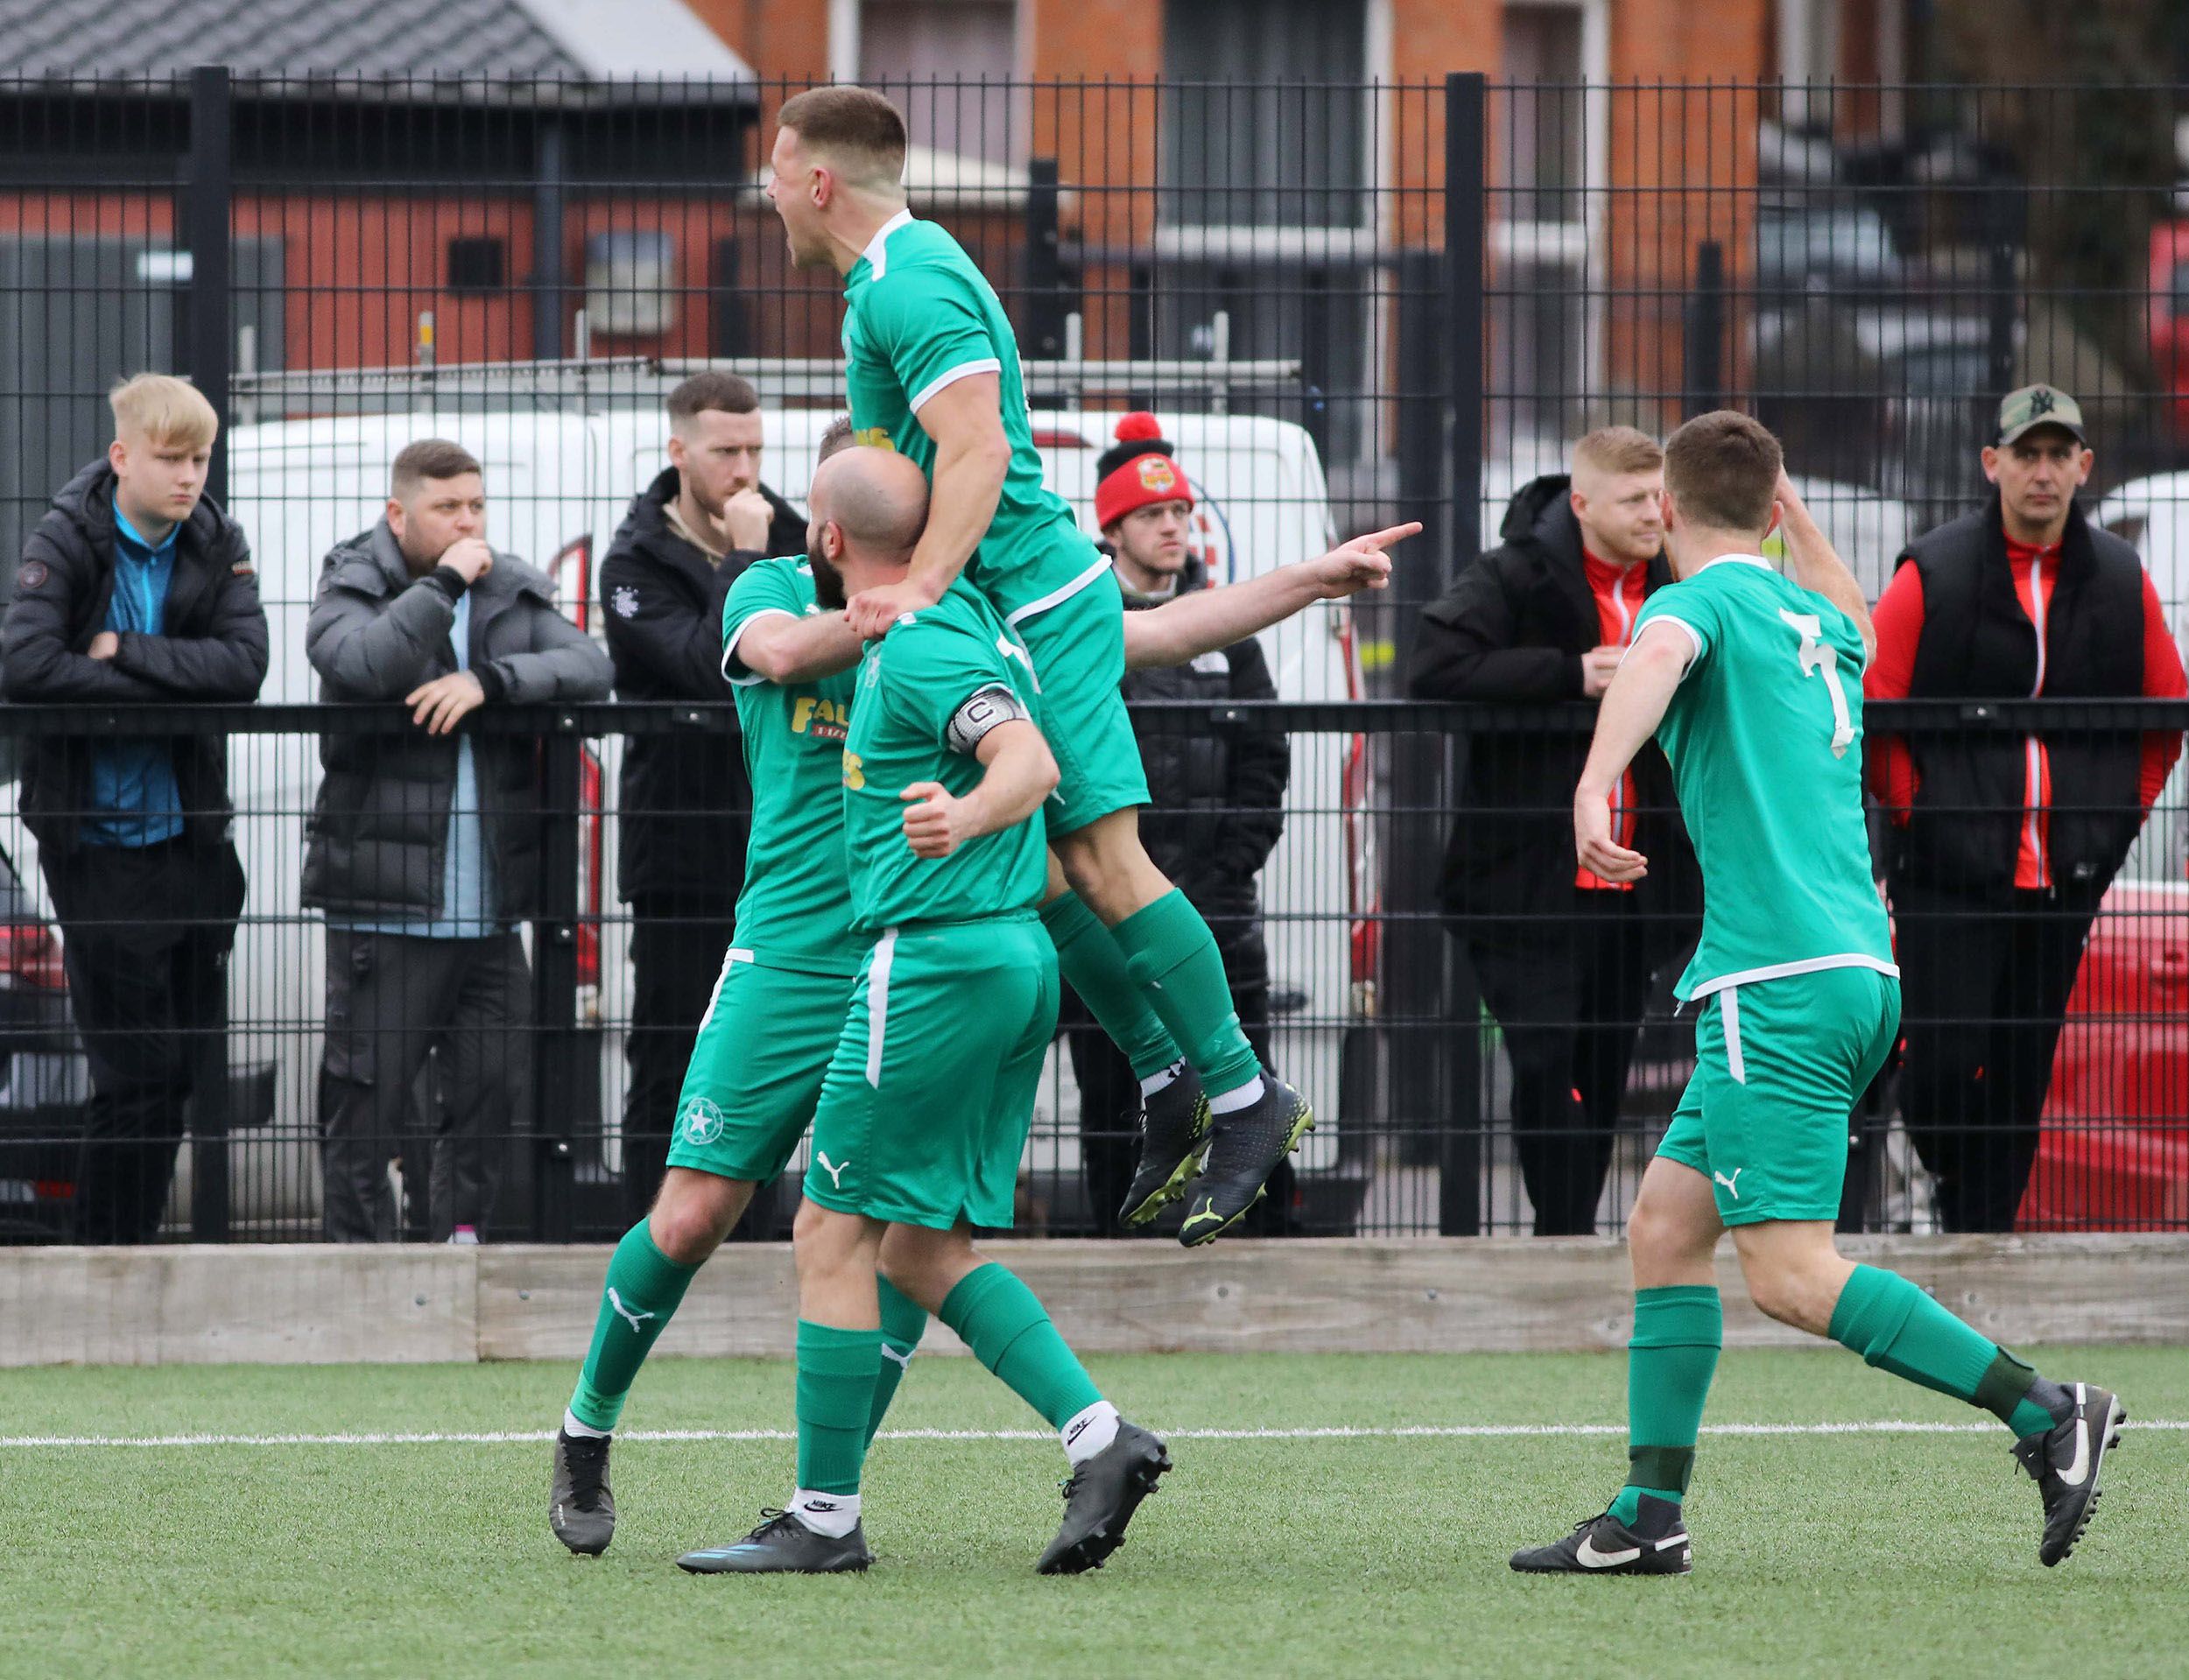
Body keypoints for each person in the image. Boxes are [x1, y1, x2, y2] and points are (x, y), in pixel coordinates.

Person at [549, 421, 1403, 1558]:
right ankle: (589, 1426)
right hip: (795, 955)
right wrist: (875, 612)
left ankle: (833, 1505)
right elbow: (782, 652)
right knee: (699, 1212)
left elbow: (1138, 632)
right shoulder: (773, 588)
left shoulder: (964, 617)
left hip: (923, 960)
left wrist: (1306, 578)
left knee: (899, 1237)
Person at [766, 83, 1414, 1245]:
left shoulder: (909, 279)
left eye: (772, 174)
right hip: (1012, 601)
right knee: (1055, 877)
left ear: (818, 180)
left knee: (1107, 866)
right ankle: (1171, 1081)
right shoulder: (892, 281)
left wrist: (920, 583)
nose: (767, 197)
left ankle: (1243, 1096)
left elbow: (977, 446)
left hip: (1029, 604)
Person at [1511, 411, 2122, 1577]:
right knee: (1664, 1230)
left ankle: (2047, 1410)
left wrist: (1595, 785)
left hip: (1776, 980)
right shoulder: (1821, 619)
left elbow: (1651, 658)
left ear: (1671, 516)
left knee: (1791, 1270)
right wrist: (1782, 502)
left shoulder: (1695, 605)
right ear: (1775, 505)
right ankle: (1648, 1513)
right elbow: (1842, 592)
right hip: (1853, 964)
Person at [678, 442, 1170, 1577]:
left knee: (828, 1227)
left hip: (938, 963)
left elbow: (1030, 762)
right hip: (1008, 961)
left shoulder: (914, 642)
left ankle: (824, 1516)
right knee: (916, 1246)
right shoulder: (973, 618)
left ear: (833, 540)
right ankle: (1101, 1435)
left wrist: (968, 815)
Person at [1866, 384, 2185, 1232]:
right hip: (1949, 878)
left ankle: (1984, 1239)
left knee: (2019, 1073)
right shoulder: (1930, 570)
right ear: (1992, 463)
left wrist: (2111, 828)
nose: (2042, 472)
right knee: (1940, 1067)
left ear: (2084, 466)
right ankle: (1956, 1186)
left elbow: (2164, 716)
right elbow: (1877, 709)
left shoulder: (2120, 581)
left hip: (2063, 885)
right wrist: (1919, 816)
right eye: (2025, 453)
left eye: (2058, 455)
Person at [305, 439, 613, 1243]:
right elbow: (364, 663)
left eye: (476, 505)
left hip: (489, 919)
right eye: (447, 509)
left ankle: (450, 1254)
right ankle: (361, 1274)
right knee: (367, 1105)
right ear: (397, 514)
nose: (468, 522)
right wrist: (441, 584)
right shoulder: (356, 582)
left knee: (489, 1096)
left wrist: (491, 683)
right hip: (385, 911)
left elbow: (588, 665)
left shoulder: (508, 588)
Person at [1408, 426, 1699, 1234]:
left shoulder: (1683, 582)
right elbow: (1433, 668)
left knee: (1603, 1072)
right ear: (1581, 503)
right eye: (1635, 498)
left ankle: (1563, 1234)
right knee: (1543, 1064)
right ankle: (1562, 1233)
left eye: (1660, 496)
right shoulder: (1514, 573)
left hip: (1636, 881)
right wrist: (1571, 673)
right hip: (1525, 880)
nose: (1654, 512)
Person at [0, 373, 267, 1244]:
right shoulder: (66, 535)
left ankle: (130, 1243)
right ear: (122, 458)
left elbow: (244, 666)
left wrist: (128, 650)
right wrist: (149, 677)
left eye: (200, 459)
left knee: (176, 1070)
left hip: (191, 843)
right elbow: (28, 664)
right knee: (132, 1068)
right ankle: (106, 1248)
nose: (189, 477)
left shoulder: (217, 538)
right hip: (98, 842)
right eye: (171, 459)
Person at [1066, 414, 1292, 1233]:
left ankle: (1258, 1243)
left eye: (1181, 513)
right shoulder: (1082, 626)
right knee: (1115, 1084)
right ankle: (1118, 1231)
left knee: (1245, 1074)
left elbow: (1265, 758)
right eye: (1153, 515)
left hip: (1215, 901)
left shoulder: (1224, 631)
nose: (1172, 527)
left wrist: (1229, 865)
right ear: (1112, 528)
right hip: (1108, 899)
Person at [600, 370, 806, 1222]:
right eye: (726, 450)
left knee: (767, 1053)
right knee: (671, 1049)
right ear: (679, 449)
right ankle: (650, 1239)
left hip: (781, 841)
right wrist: (745, 560)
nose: (744, 467)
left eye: (755, 448)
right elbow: (702, 663)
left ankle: (759, 1230)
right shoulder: (633, 558)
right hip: (679, 846)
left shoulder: (794, 528)